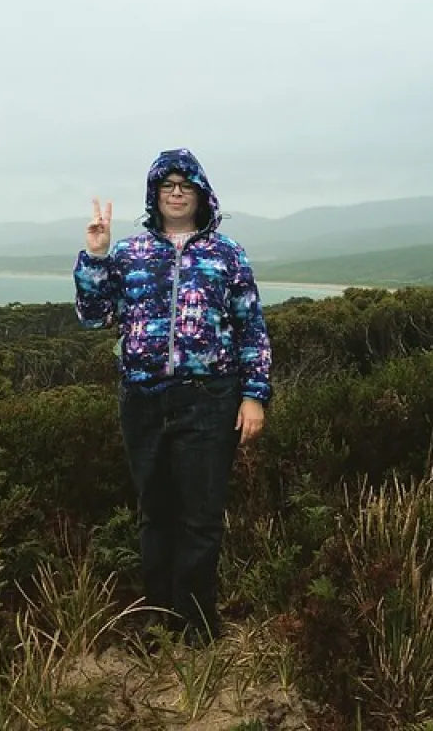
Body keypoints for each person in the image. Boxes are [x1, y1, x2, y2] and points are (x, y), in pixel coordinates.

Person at [73, 148, 272, 646]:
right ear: (154, 195)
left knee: (200, 516)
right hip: (142, 399)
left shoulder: (227, 252)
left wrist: (254, 395)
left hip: (210, 397)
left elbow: (251, 327)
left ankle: (199, 627)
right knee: (155, 512)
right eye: (167, 184)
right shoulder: (130, 253)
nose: (177, 191)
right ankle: (159, 620)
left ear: (202, 194)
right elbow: (96, 315)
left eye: (186, 184)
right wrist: (97, 255)